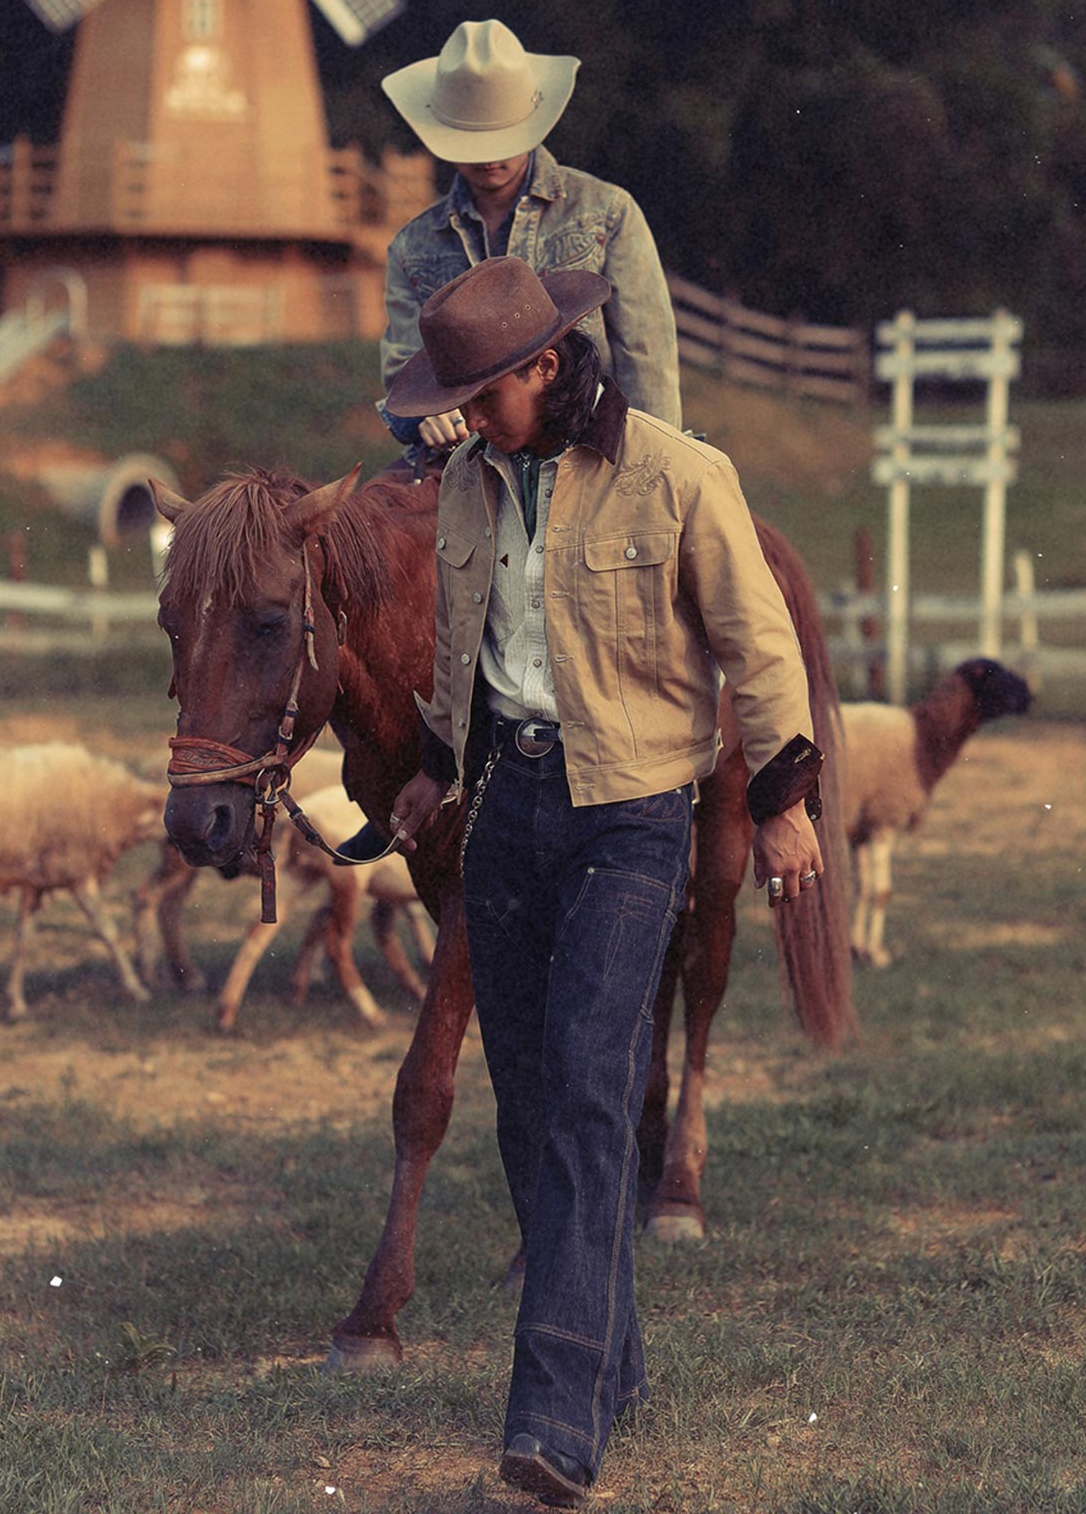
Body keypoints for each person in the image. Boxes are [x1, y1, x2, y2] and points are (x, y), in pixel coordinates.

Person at [385, 256, 824, 1507]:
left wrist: (785, 799)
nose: (461, 411)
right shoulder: (465, 488)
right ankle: (611, 1361)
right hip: (508, 810)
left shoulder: (679, 473)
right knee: (527, 1102)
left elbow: (759, 640)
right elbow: (461, 648)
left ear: (544, 364)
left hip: (633, 815)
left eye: (482, 387)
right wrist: (431, 767)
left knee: (587, 1081)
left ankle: (553, 1425)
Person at [378, 17, 682, 469]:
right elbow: (404, 368)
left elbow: (646, 354)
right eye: (473, 140)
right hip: (471, 448)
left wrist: (655, 460)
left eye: (503, 136)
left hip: (588, 443)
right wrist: (427, 416)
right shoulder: (412, 246)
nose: (491, 157)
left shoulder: (607, 211)